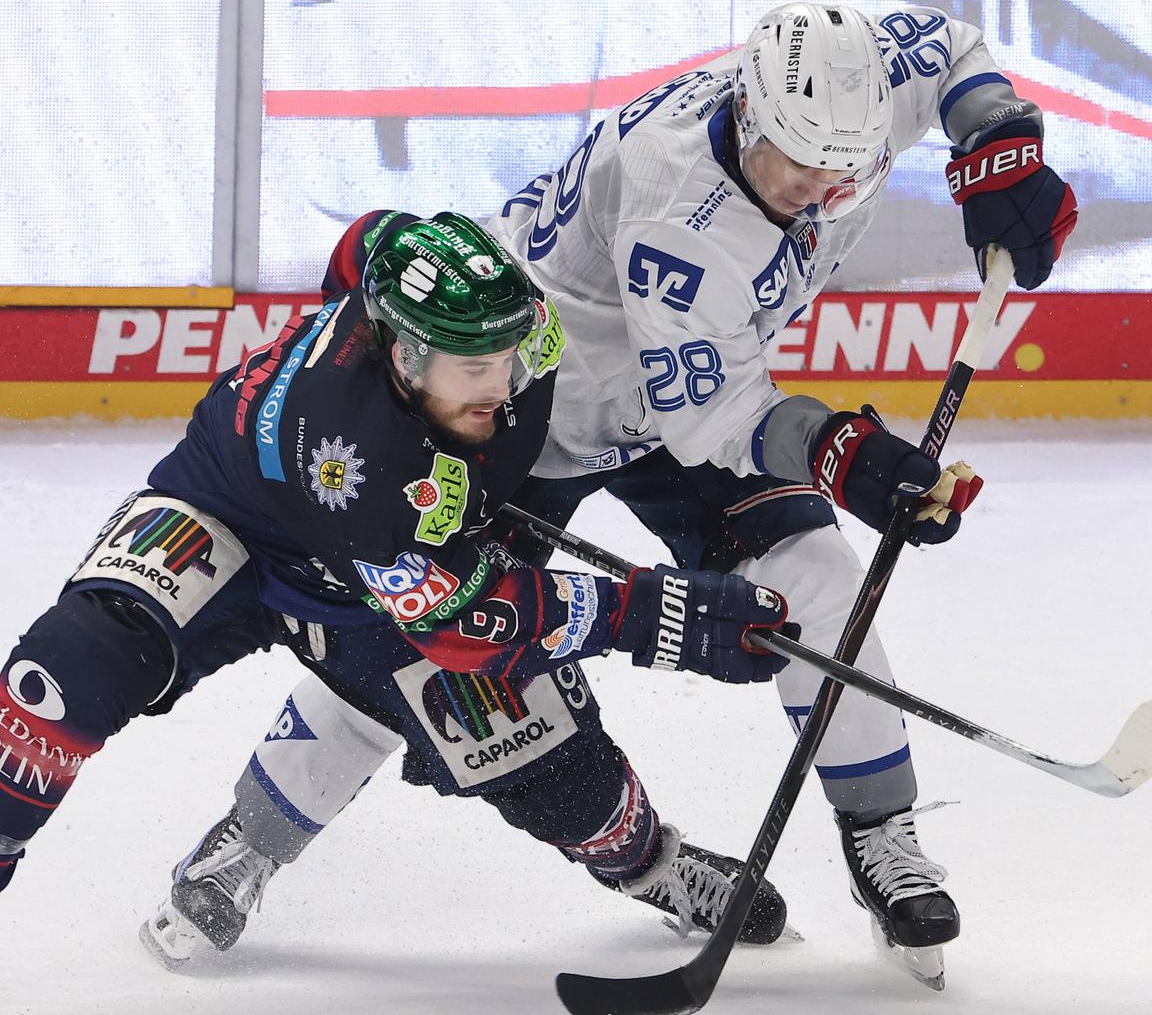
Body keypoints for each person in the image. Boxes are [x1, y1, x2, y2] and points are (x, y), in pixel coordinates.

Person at [152, 0, 1076, 989]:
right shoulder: (679, 210)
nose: (819, 196)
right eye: (799, 171)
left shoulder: (835, 104)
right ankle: (249, 841)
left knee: (817, 582)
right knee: (425, 654)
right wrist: (849, 455)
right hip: (522, 407)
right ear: (752, 117)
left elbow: (949, 53)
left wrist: (1001, 141)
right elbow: (716, 418)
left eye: (843, 177)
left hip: (681, 385)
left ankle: (881, 838)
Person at [0, 212, 804, 965]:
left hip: (397, 563)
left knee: (563, 777)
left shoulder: (523, 327)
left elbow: (361, 243)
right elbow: (469, 625)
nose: (501, 385)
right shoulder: (363, 465)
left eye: (509, 357)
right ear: (404, 357)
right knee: (63, 676)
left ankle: (646, 864)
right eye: (475, 369)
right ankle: (246, 834)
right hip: (234, 522)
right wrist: (665, 617)